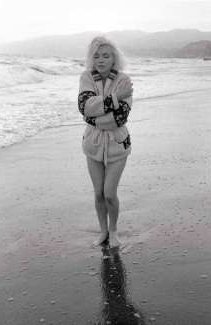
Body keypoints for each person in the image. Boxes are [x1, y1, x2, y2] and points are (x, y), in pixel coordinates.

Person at [78, 36, 133, 248]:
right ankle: (103, 232)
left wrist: (95, 116)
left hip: (118, 143)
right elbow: (84, 108)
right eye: (96, 56)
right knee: (99, 194)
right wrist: (115, 99)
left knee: (110, 194)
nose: (100, 60)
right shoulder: (86, 77)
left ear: (114, 59)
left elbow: (120, 118)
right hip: (92, 143)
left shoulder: (124, 80)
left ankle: (114, 230)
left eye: (106, 56)